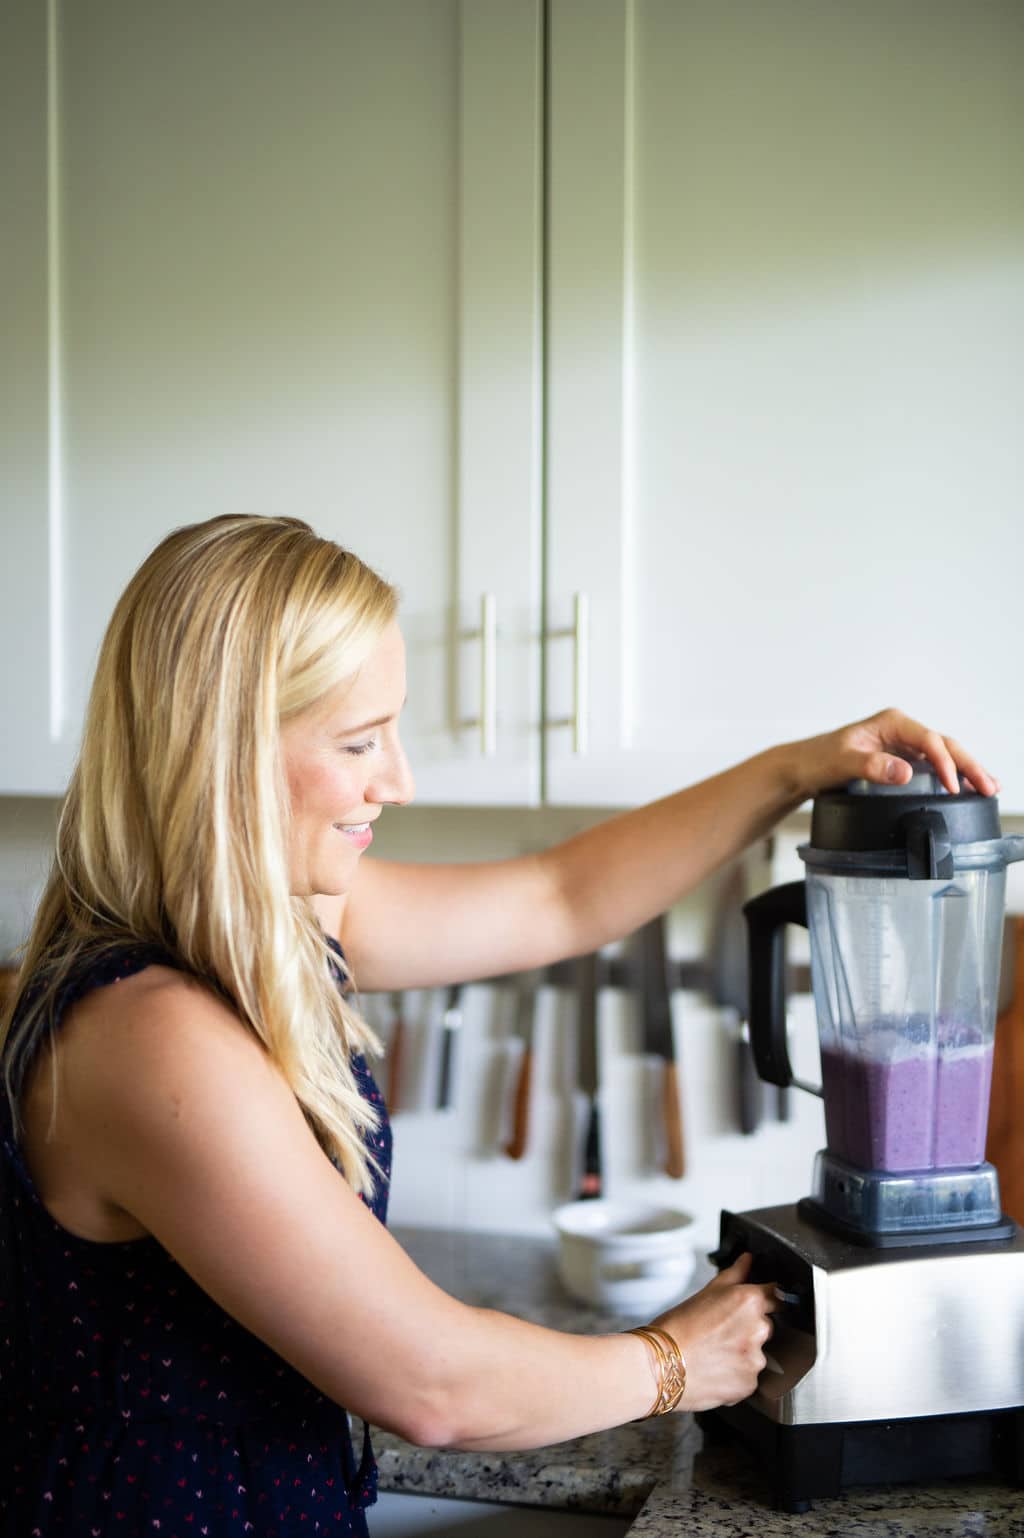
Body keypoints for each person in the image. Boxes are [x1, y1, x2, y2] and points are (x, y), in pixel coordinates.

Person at [0, 515, 999, 1538]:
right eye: (357, 742)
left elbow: (558, 897)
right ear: (219, 756)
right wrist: (669, 1362)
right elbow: (431, 1383)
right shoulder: (151, 1032)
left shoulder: (284, 919)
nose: (398, 779)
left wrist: (792, 769)